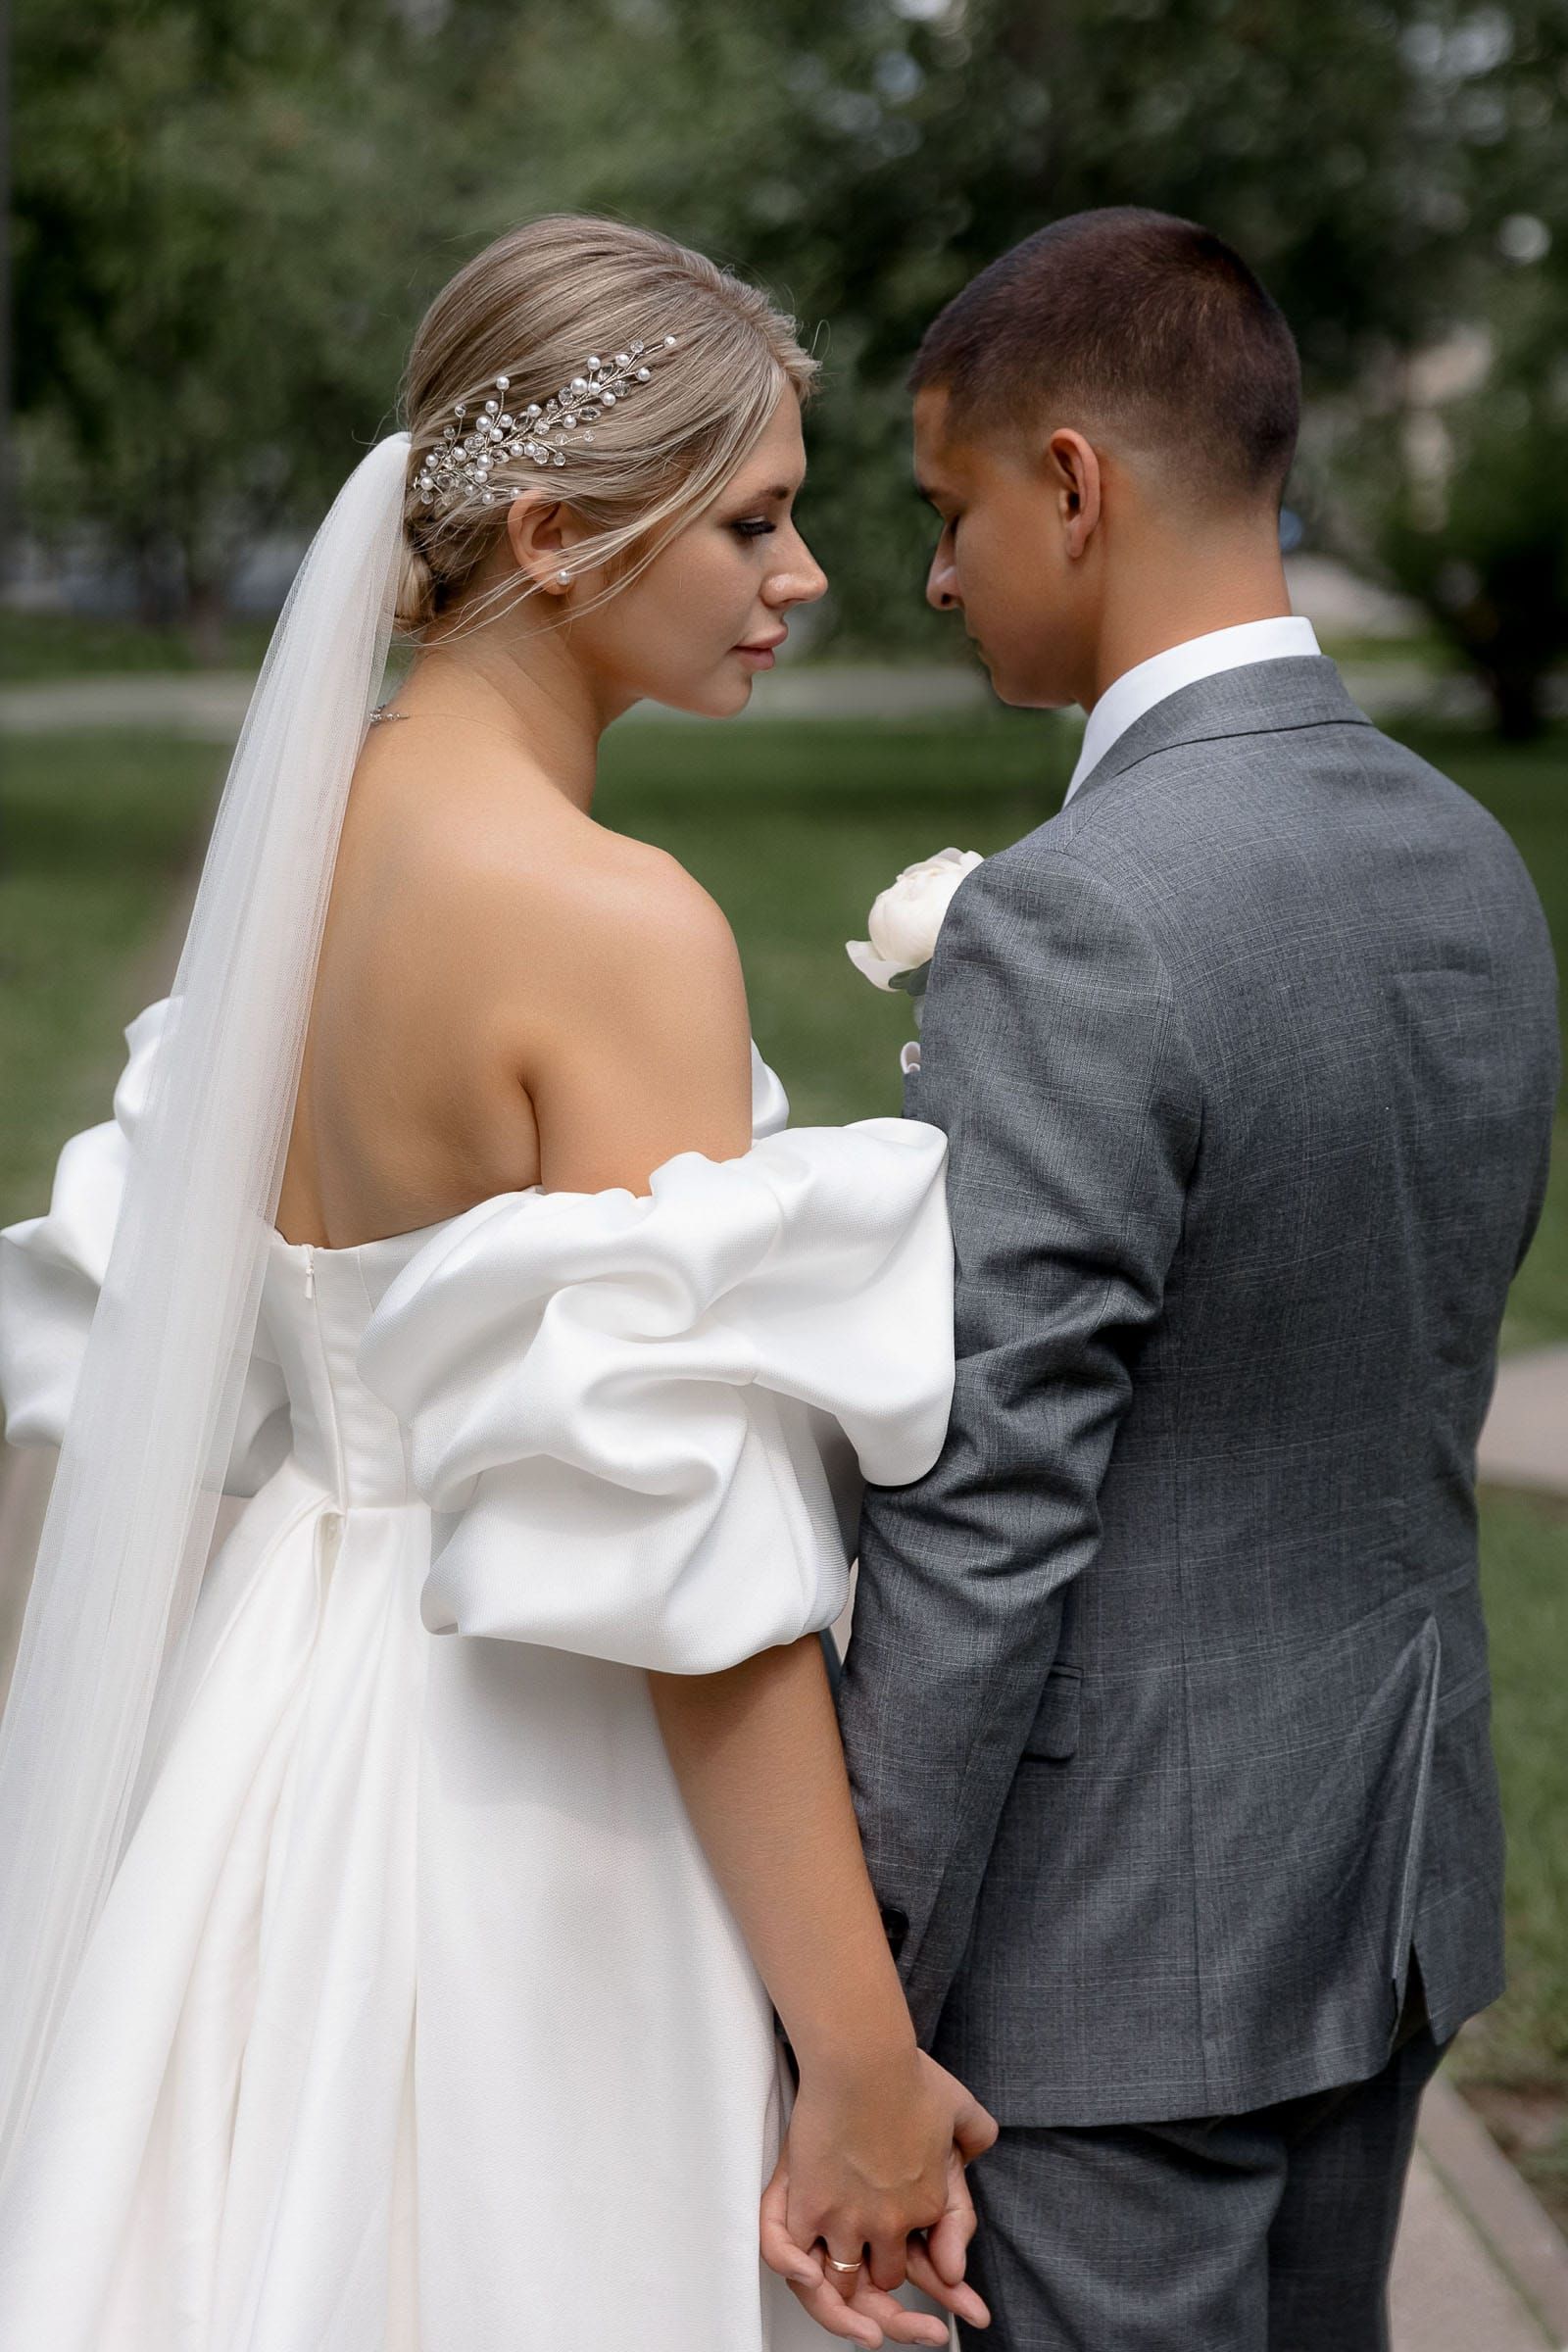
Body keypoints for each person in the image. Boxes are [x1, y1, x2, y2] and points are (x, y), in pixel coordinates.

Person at [0, 215, 996, 2352]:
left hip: (283, 1699)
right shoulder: (609, 923)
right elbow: (676, 1550)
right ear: (552, 532)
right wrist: (857, 2060)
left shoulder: (307, 853)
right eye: (748, 521)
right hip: (519, 1775)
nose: (802, 576)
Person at [834, 207, 1561, 2350]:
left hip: (1104, 1964)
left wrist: (852, 2004)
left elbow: (987, 1517)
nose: (939, 575)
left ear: (1069, 482)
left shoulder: (1076, 920)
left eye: (948, 509)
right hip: (1388, 1886)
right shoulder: (1467, 853)